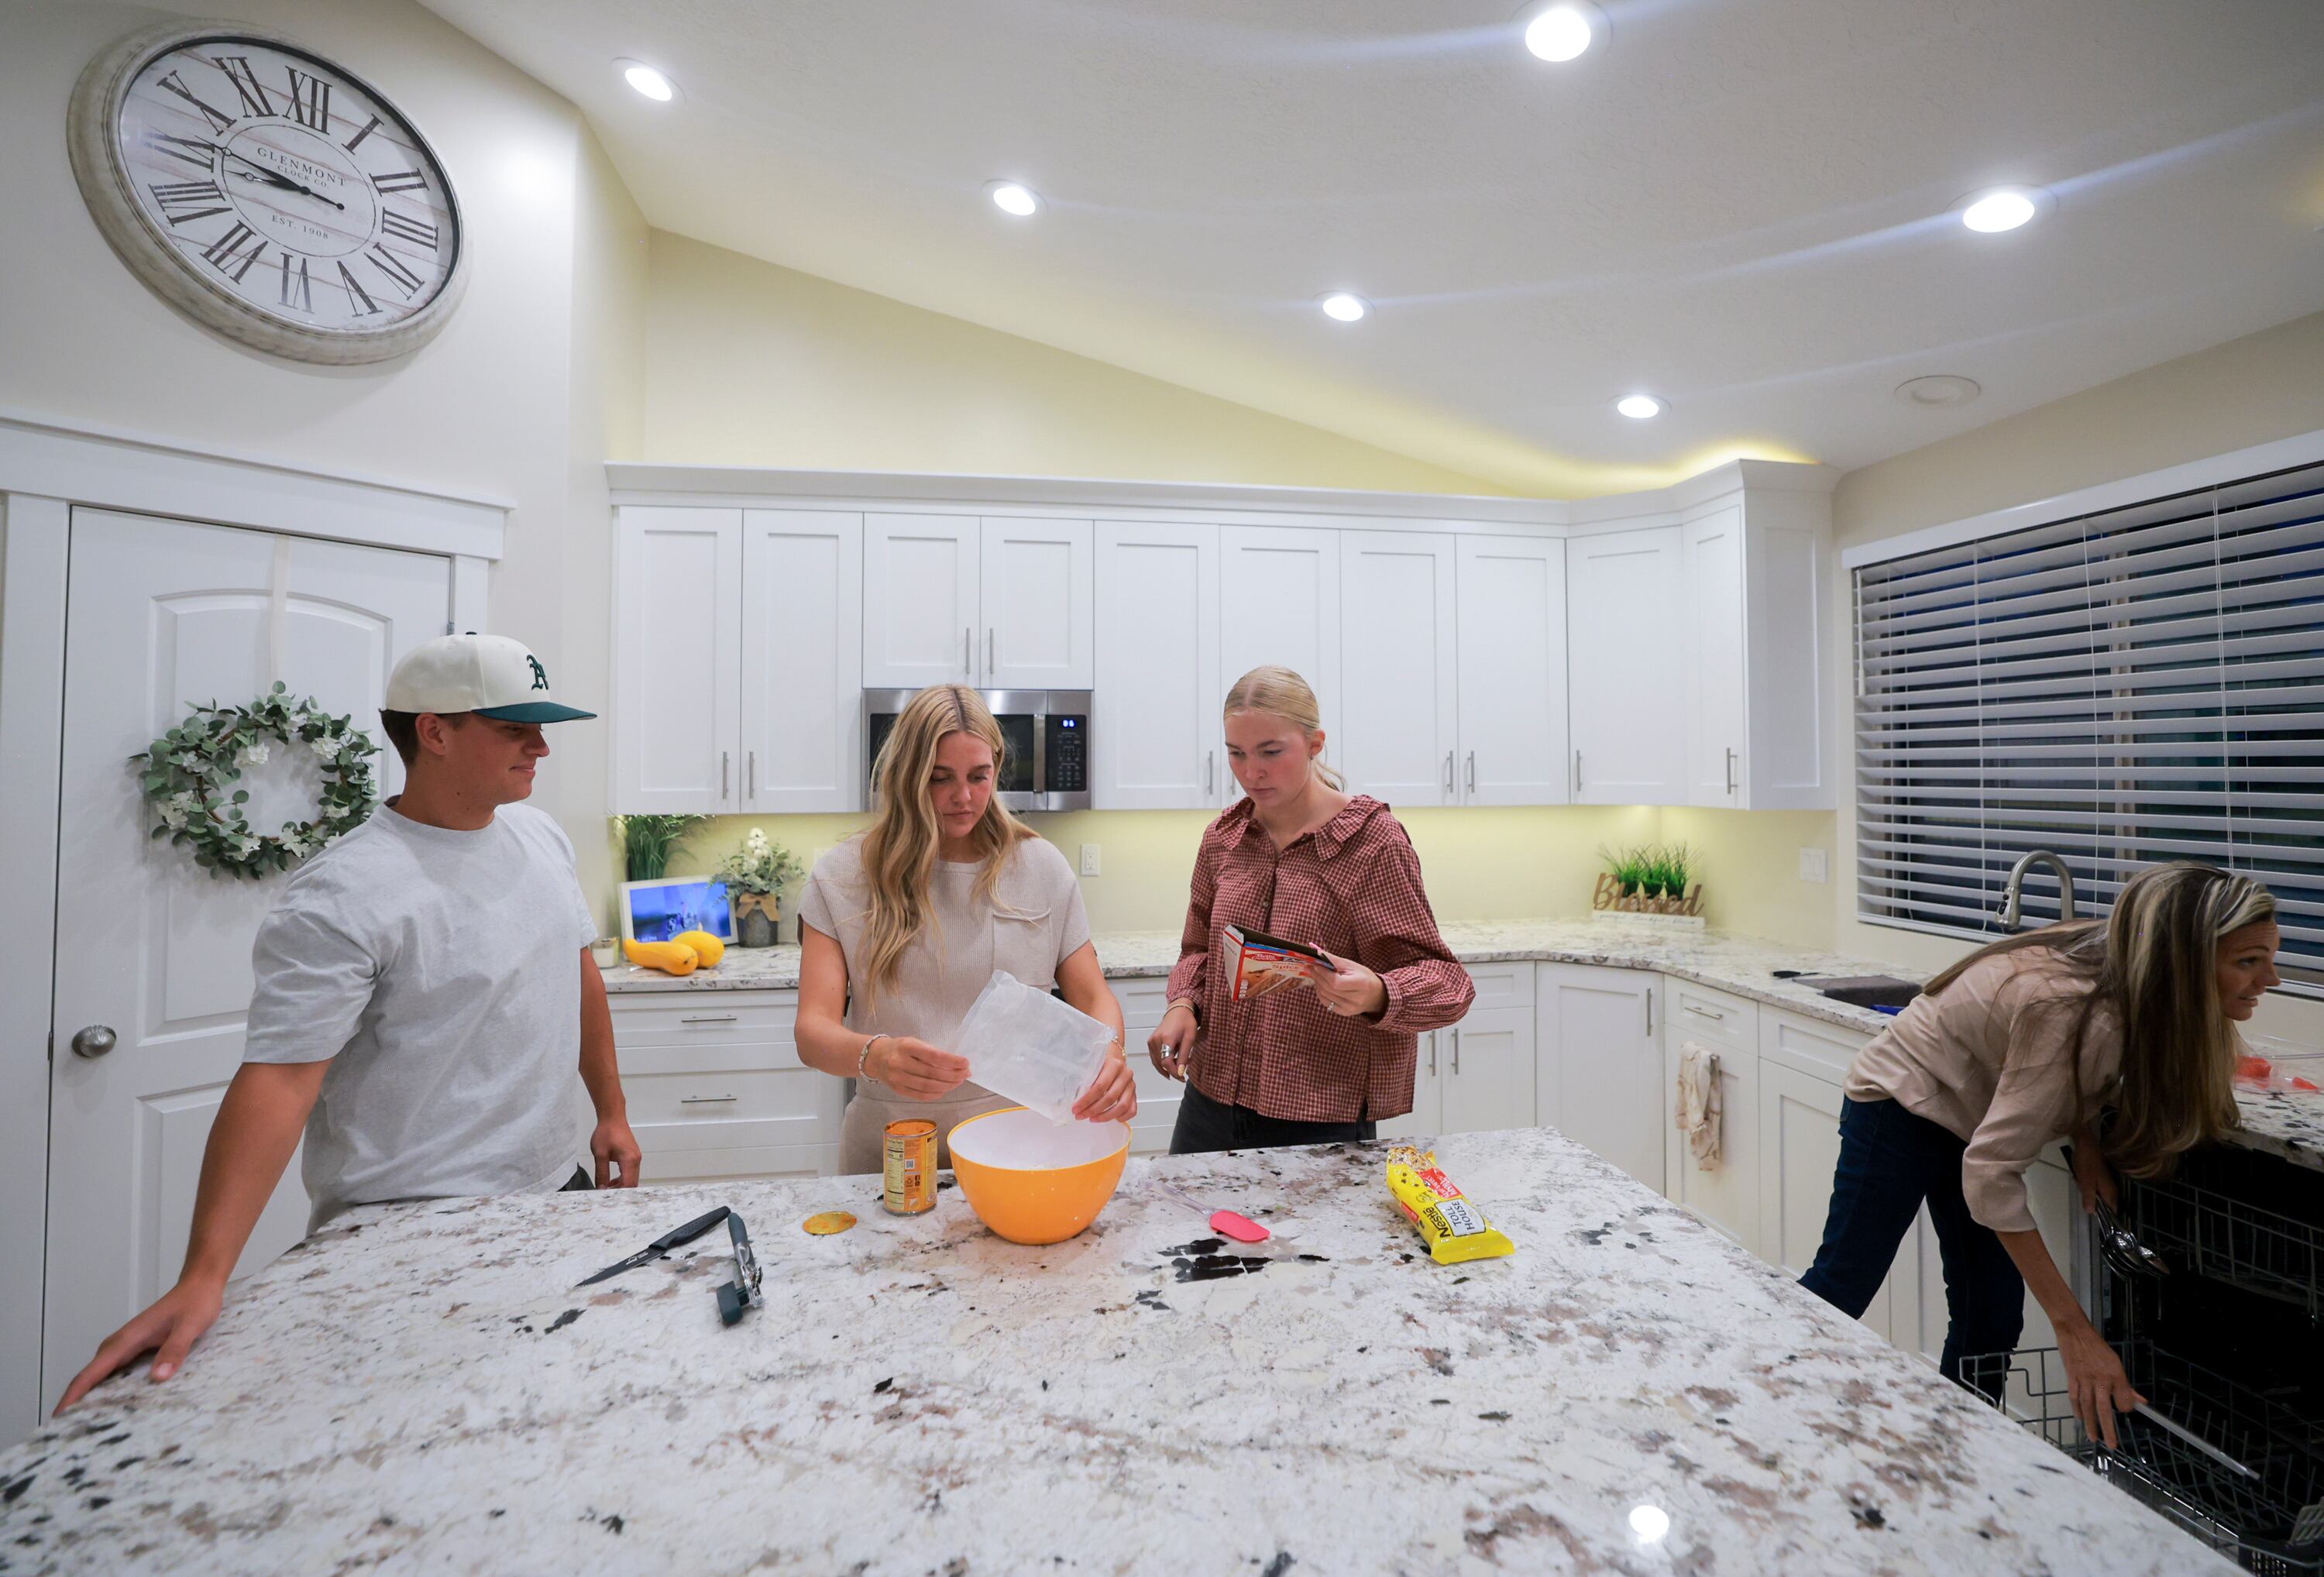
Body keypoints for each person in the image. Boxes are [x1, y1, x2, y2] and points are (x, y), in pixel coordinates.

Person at [58, 634, 637, 1411]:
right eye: (514, 727)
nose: (541, 746)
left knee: (547, 1408)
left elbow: (575, 971)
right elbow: (281, 1079)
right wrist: (205, 1273)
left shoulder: (539, 836)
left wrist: (612, 1110)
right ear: (435, 731)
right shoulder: (344, 894)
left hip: (550, 1189)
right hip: (411, 1225)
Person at [1799, 862, 2278, 1447]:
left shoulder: (2128, 976)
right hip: (1904, 1100)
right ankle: (1763, 1406)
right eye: (2249, 961)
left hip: (1981, 1118)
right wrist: (2074, 1329)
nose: (2270, 979)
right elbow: (1993, 1166)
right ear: (2183, 963)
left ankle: (1958, 1454)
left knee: (1992, 1318)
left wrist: (2089, 1147)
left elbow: (2064, 1071)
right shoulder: (2078, 1009)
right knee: (1843, 1286)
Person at [796, 685, 1136, 1173]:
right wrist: (876, 1055)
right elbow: (812, 1033)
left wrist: (1112, 1055)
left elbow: (1095, 997)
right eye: (940, 779)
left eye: (980, 776)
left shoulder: (1040, 868)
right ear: (906, 776)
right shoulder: (842, 877)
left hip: (1019, 1143)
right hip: (893, 1151)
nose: (964, 797)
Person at [1150, 666, 1474, 1153]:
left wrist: (1378, 993)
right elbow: (1198, 950)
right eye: (1236, 753)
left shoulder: (1371, 843)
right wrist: (1183, 1004)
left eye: (1271, 752)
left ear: (1315, 743)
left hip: (1320, 1119)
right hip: (1208, 1103)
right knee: (1191, 1232)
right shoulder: (1224, 839)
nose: (1250, 772)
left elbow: (1449, 984)